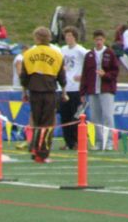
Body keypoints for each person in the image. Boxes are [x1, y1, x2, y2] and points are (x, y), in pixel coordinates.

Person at [21, 26, 66, 163]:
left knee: (36, 121)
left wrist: (24, 91)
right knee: (47, 125)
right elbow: (62, 77)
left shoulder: (28, 54)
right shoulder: (57, 54)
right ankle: (43, 153)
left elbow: (24, 76)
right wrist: (64, 92)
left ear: (37, 38)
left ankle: (34, 149)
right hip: (49, 91)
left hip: (34, 91)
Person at [79, 29, 119, 151]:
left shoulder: (109, 53)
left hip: (106, 89)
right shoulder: (89, 55)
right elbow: (85, 74)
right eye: (96, 39)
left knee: (108, 115)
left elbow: (115, 71)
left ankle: (110, 141)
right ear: (93, 40)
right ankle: (99, 141)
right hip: (92, 90)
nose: (98, 42)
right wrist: (82, 92)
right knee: (95, 117)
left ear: (104, 40)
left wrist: (105, 75)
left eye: (100, 39)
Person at [59, 26, 88, 150]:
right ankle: (68, 141)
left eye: (70, 36)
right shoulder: (62, 50)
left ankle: (76, 141)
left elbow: (92, 64)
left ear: (75, 37)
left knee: (75, 116)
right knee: (64, 116)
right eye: (66, 36)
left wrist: (84, 76)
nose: (68, 38)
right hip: (65, 88)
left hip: (76, 88)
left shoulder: (81, 50)